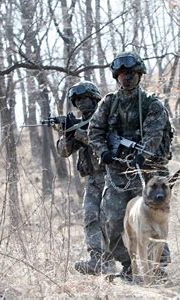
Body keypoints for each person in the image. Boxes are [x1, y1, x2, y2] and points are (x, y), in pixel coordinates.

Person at [88, 51, 173, 280]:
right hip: (116, 173)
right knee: (113, 222)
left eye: (132, 73)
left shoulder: (152, 104)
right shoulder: (108, 103)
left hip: (145, 174)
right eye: (123, 74)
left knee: (151, 220)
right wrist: (103, 151)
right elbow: (94, 130)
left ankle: (159, 268)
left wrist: (142, 153)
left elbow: (155, 133)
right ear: (117, 76)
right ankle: (128, 266)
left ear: (139, 75)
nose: (127, 78)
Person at [56, 81, 112, 275]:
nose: (80, 103)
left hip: (111, 177)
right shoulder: (80, 123)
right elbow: (63, 152)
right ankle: (97, 260)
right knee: (90, 216)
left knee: (109, 219)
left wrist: (77, 132)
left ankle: (117, 260)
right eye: (77, 100)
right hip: (92, 179)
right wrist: (67, 133)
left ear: (94, 98)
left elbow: (99, 141)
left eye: (84, 98)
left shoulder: (106, 118)